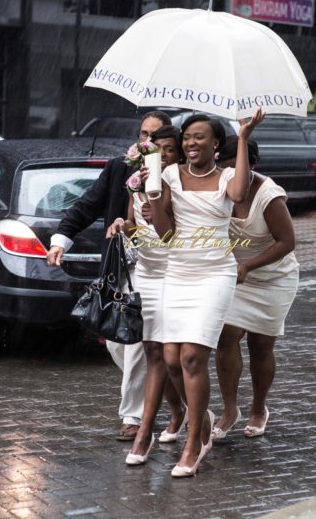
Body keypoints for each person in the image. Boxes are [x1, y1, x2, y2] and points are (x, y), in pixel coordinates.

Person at [145, 110, 264, 477]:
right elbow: (166, 234)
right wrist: (151, 196)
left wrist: (243, 136)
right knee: (170, 358)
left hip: (215, 273)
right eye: (187, 138)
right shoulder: (166, 174)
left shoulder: (228, 176)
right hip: (178, 271)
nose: (191, 143)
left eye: (199, 137)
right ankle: (204, 418)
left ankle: (194, 442)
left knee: (193, 356)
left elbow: (240, 193)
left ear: (215, 144)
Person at [46, 110, 172, 441]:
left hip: (164, 269)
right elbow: (86, 207)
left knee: (135, 345)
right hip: (122, 268)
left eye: (155, 136)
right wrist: (60, 241)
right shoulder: (121, 167)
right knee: (120, 343)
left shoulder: (180, 175)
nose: (147, 141)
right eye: (143, 134)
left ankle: (133, 415)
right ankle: (177, 401)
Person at [106, 126, 188, 465]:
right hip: (146, 272)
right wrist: (123, 226)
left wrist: (161, 213)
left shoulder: (183, 185)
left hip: (178, 271)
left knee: (173, 355)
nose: (163, 155)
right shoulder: (136, 184)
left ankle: (181, 414)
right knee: (145, 348)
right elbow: (133, 221)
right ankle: (155, 416)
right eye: (157, 150)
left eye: (170, 149)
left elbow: (177, 232)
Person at [212, 136, 299, 441]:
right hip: (235, 278)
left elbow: (287, 242)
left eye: (235, 165)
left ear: (251, 164)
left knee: (261, 346)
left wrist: (248, 266)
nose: (228, 172)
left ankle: (259, 407)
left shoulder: (268, 194)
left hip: (274, 278)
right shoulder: (218, 186)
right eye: (223, 165)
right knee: (226, 336)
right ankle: (229, 409)